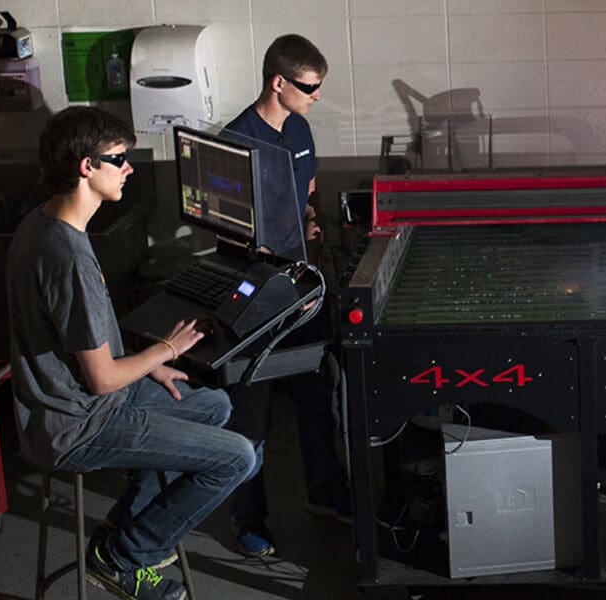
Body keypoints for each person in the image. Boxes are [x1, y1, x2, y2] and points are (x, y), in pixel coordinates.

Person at [6, 106, 256, 600]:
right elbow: (101, 378)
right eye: (119, 158)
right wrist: (166, 347)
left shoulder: (44, 223)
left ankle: (117, 533)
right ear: (86, 166)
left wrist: (151, 366)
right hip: (77, 423)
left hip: (79, 403)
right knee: (237, 459)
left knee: (215, 406)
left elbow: (80, 343)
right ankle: (126, 555)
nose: (129, 169)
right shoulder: (67, 255)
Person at [222, 34, 351, 558]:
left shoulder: (299, 128)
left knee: (316, 393)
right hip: (257, 293)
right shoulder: (236, 141)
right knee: (249, 415)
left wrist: (314, 227)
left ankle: (325, 492)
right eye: (309, 87)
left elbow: (310, 190)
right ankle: (247, 517)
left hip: (303, 288)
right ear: (280, 82)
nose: (317, 96)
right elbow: (226, 232)